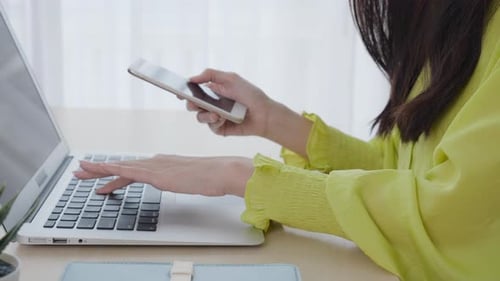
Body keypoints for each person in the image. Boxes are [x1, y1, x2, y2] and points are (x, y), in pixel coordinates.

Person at [74, 1, 500, 280]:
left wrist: (242, 178)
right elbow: (401, 166)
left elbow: (444, 216)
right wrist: (274, 120)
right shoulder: (457, 18)